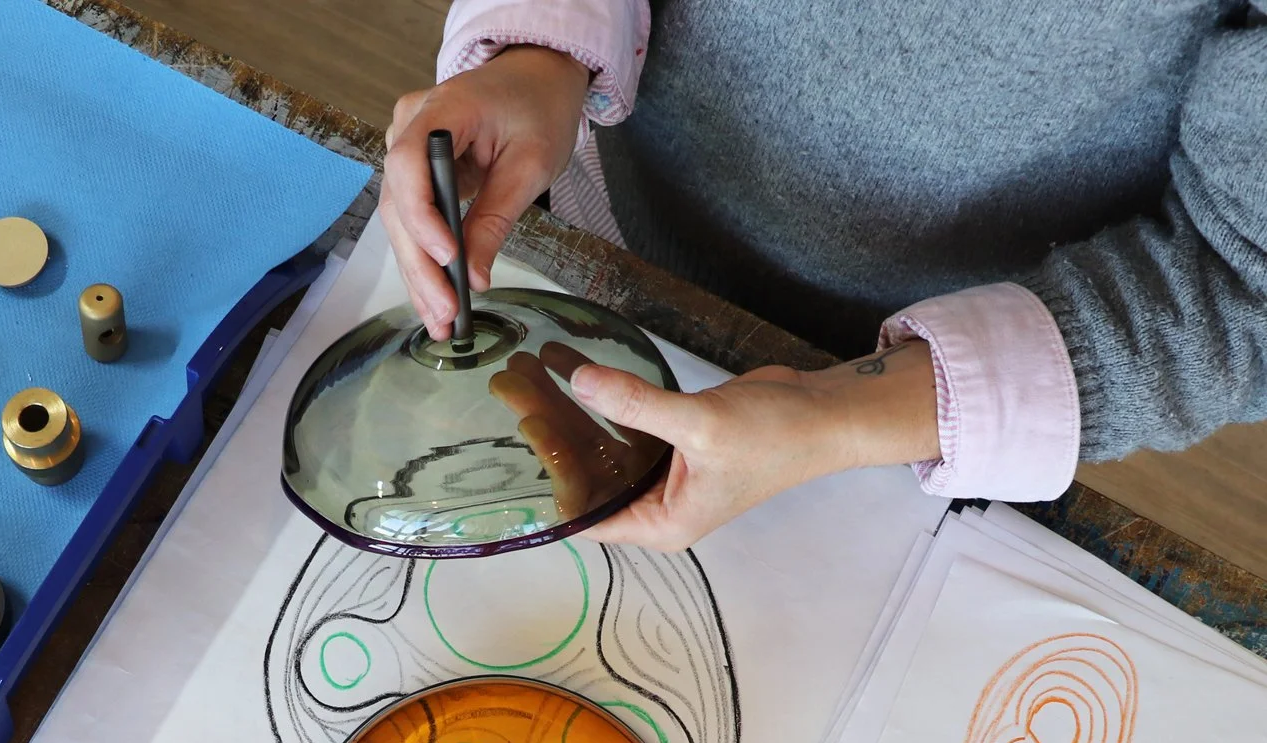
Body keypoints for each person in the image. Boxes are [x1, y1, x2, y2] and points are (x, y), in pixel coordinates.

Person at [376, 0, 1267, 551]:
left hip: (912, 413)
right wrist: (541, 47)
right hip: (599, 209)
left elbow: (1245, 278)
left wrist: (840, 415)